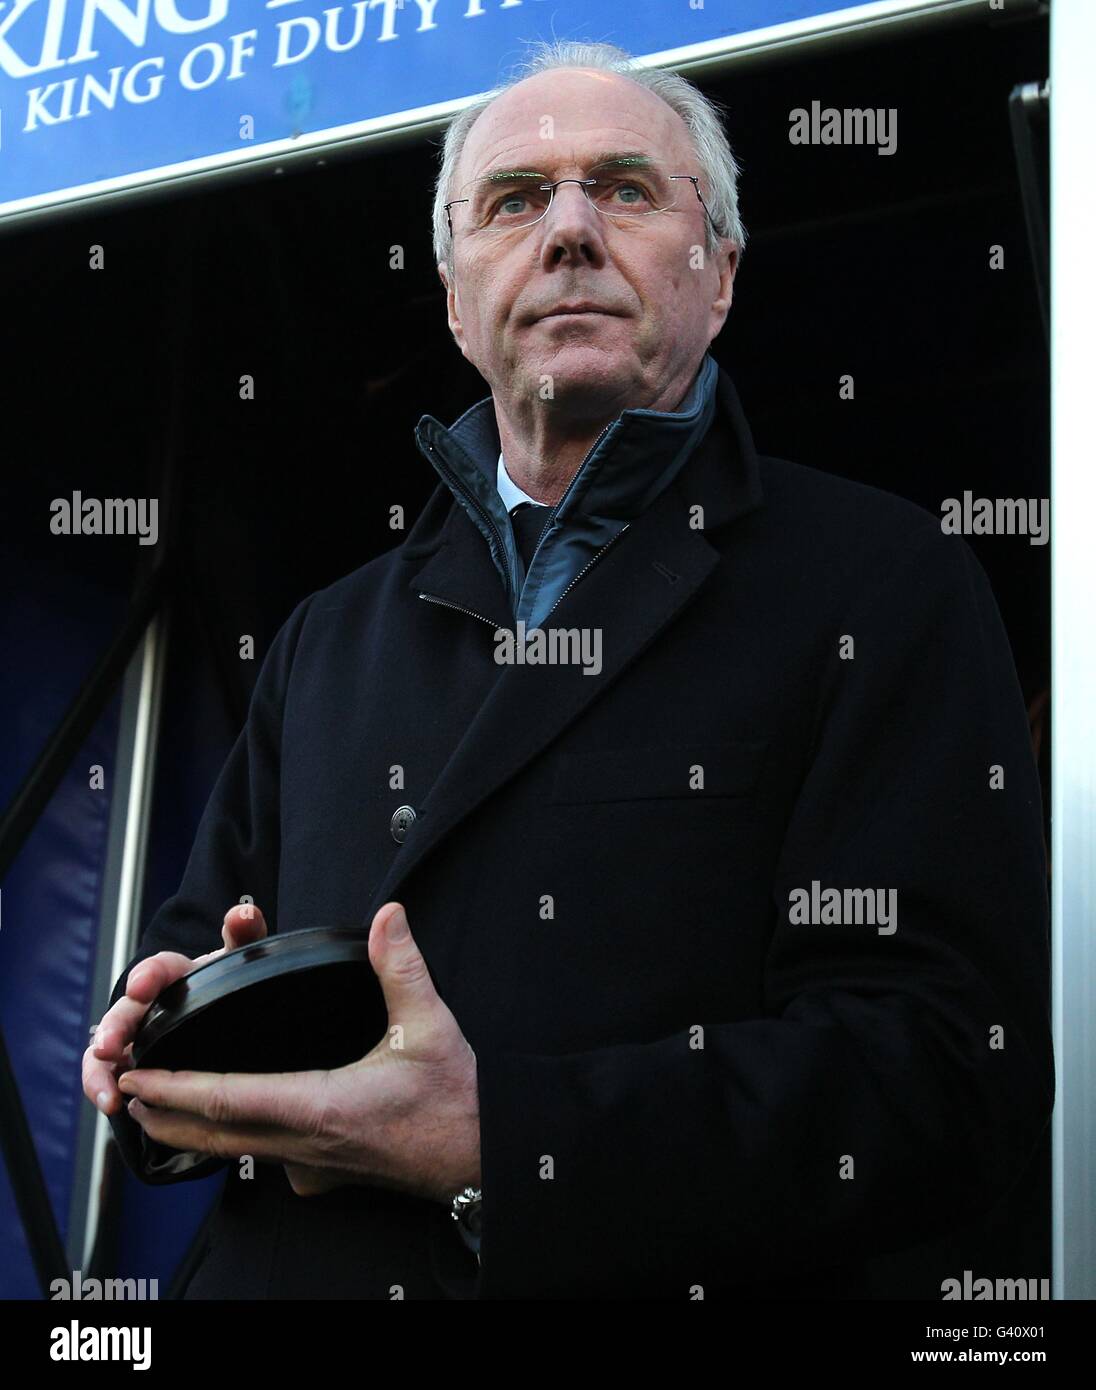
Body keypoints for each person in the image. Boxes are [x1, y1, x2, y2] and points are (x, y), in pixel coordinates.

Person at [82, 39, 1053, 1300]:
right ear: (451, 294)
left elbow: (943, 1075)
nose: (573, 231)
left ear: (722, 274)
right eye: (515, 199)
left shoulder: (885, 584)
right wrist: (158, 1041)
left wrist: (507, 1141)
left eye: (629, 189)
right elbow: (180, 969)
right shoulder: (329, 632)